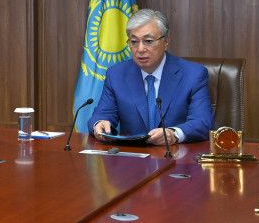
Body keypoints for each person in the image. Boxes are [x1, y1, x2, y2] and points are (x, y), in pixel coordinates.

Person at [87, 9, 213, 145]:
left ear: (166, 41)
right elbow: (103, 114)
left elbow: (203, 122)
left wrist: (174, 134)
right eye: (134, 41)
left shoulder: (193, 74)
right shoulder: (116, 75)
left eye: (148, 41)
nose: (140, 49)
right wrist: (99, 124)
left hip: (176, 154)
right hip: (132, 155)